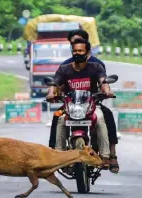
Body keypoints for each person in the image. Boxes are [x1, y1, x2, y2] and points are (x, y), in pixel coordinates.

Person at [48, 29, 119, 173]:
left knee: (101, 117)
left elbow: (103, 81)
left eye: (80, 49)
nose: (77, 52)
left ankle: (107, 155)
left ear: (87, 51)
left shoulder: (96, 66)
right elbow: (55, 84)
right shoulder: (64, 68)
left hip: (91, 104)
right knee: (59, 119)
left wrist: (107, 91)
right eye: (74, 48)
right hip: (71, 105)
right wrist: (51, 94)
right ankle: (57, 154)